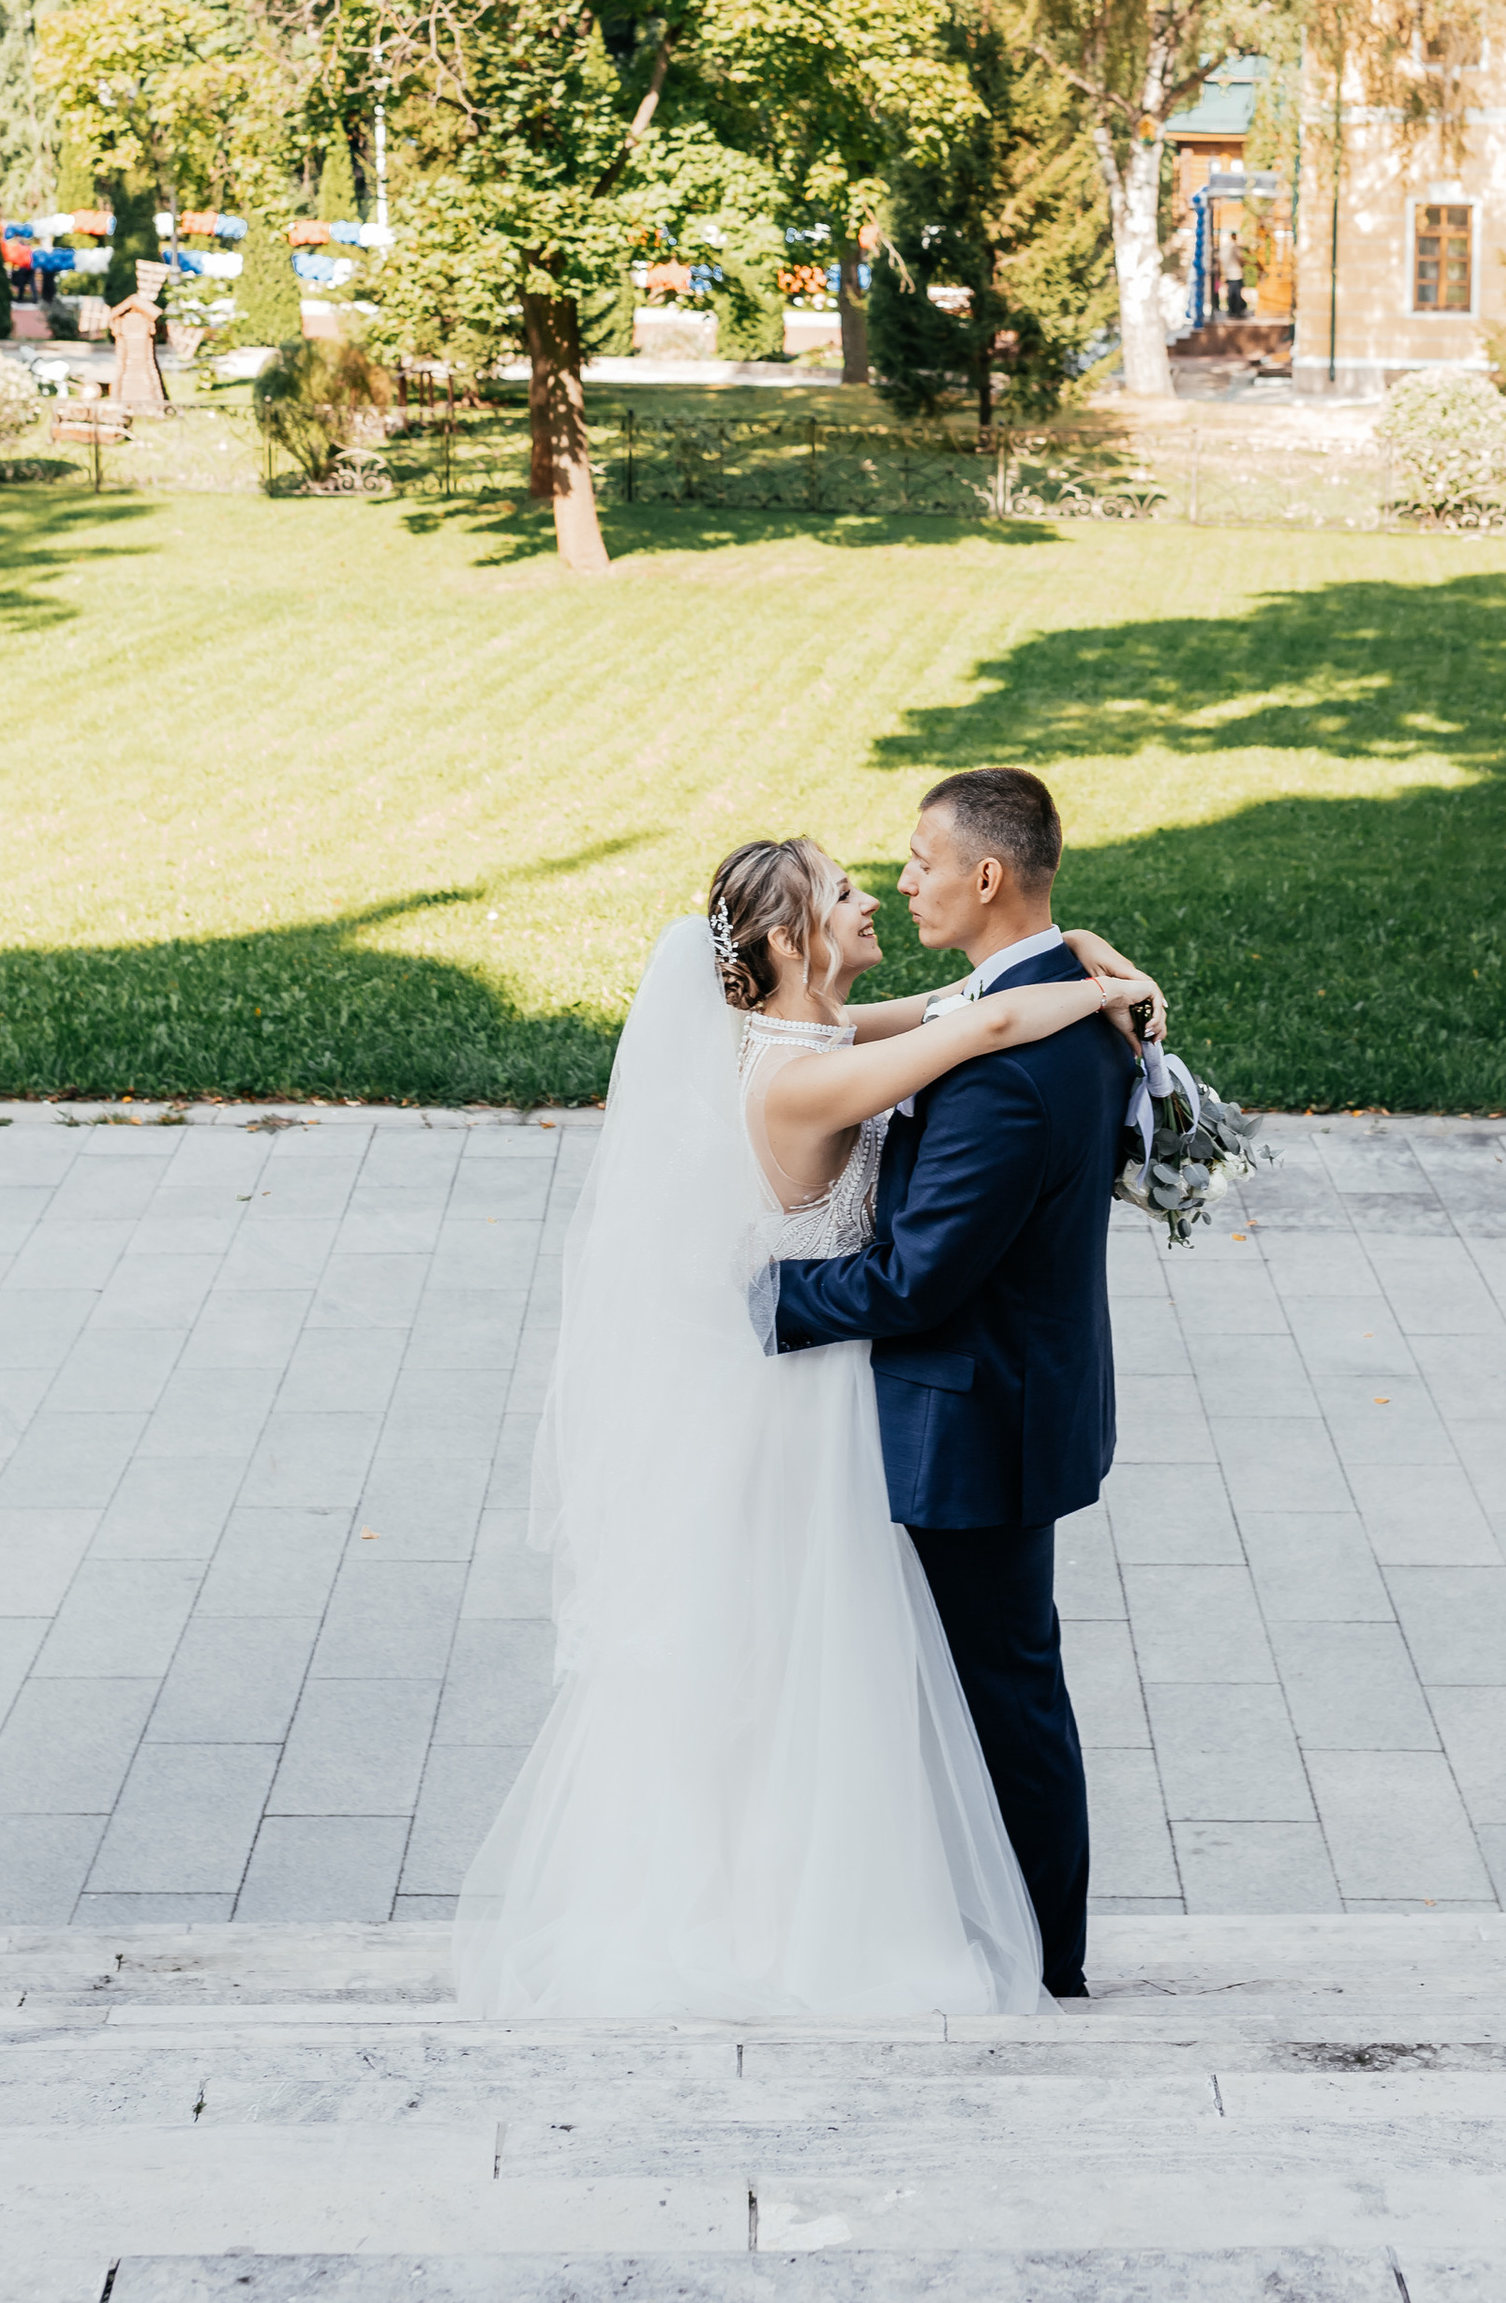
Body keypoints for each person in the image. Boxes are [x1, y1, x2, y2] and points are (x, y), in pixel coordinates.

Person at [454, 818, 1156, 2020]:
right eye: (842, 893)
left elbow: (956, 996)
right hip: (805, 1391)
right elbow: (980, 1022)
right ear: (789, 938)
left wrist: (1078, 956)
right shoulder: (804, 1072)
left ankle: (841, 1893)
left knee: (825, 1662)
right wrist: (1104, 996)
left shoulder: (815, 1029)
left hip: (829, 1382)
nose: (873, 898)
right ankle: (791, 1914)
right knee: (807, 1666)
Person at [769, 767, 1122, 2001]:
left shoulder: (1004, 1074)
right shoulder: (1042, 1003)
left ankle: (1041, 1956)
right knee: (979, 1682)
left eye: (919, 861)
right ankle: (973, 1918)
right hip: (1015, 1396)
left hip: (977, 1423)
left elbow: (915, 1286)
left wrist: (754, 1303)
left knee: (1002, 1695)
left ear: (985, 877)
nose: (903, 879)